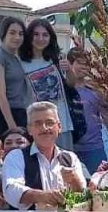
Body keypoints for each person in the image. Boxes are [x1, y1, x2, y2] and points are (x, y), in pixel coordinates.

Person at [2, 102, 87, 210]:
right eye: (38, 124)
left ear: (59, 127)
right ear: (29, 129)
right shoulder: (16, 157)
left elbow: (83, 195)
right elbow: (11, 191)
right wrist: (42, 196)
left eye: (49, 122)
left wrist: (74, 181)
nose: (44, 128)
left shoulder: (70, 158)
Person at [19, 18, 77, 150]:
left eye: (45, 35)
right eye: (36, 34)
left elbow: (71, 84)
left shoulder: (56, 58)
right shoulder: (21, 63)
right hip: (37, 124)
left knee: (64, 162)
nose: (41, 38)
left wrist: (69, 69)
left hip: (61, 122)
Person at [69, 48, 108, 174]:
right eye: (79, 62)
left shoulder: (96, 89)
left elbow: (107, 115)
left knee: (100, 183)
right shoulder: (63, 88)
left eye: (86, 64)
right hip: (69, 147)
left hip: (93, 147)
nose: (83, 67)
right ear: (70, 64)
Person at [0, 16, 30, 137]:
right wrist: (12, 127)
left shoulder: (16, 58)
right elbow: (0, 95)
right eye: (12, 33)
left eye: (21, 34)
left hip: (20, 113)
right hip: (3, 117)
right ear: (3, 34)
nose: (17, 37)